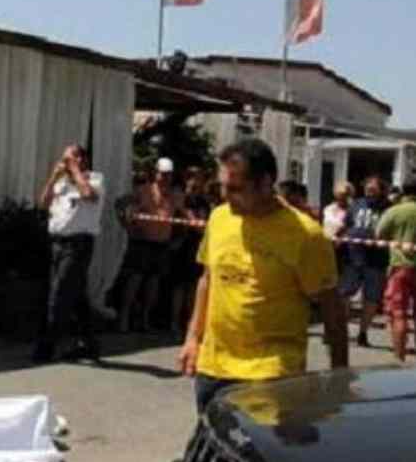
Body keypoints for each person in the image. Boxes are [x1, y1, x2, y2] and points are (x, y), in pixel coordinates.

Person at [178, 139, 347, 413]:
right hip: (212, 369)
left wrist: (339, 377)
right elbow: (207, 280)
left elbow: (332, 308)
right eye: (222, 186)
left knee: (258, 443)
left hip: (270, 375)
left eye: (236, 188)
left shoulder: (306, 236)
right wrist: (192, 339)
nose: (225, 195)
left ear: (265, 183)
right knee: (213, 440)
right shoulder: (219, 218)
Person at [33, 143, 105, 363]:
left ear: (82, 159)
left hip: (78, 245)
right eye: (64, 159)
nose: (66, 163)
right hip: (58, 243)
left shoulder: (94, 179)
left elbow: (89, 195)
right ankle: (89, 344)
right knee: (77, 295)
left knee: (59, 293)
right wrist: (53, 178)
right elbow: (43, 204)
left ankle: (47, 346)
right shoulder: (62, 183)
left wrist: (74, 170)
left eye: (70, 158)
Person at [120, 157, 181, 332]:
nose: (166, 177)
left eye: (169, 174)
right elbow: (121, 205)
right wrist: (128, 227)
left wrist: (177, 238)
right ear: (156, 173)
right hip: (142, 243)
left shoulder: (174, 195)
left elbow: (180, 215)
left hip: (161, 244)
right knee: (135, 280)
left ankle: (145, 320)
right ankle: (124, 318)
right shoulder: (143, 191)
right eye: (163, 174)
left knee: (153, 284)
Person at [339, 177, 390, 347]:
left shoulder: (388, 207)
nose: (370, 192)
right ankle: (340, 331)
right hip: (353, 258)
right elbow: (347, 225)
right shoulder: (356, 204)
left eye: (373, 189)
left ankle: (362, 333)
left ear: (381, 190)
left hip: (376, 260)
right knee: (344, 294)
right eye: (368, 189)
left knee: (371, 298)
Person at [375, 180, 416, 362]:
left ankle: (399, 359)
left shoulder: (394, 211)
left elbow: (379, 234)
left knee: (398, 314)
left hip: (400, 267)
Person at [170, 166, 211, 333]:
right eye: (192, 177)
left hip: (197, 246)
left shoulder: (203, 202)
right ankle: (173, 322)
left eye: (199, 178)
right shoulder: (179, 198)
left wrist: (189, 215)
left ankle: (189, 322)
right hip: (179, 247)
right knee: (178, 286)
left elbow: (202, 226)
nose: (195, 181)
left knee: (193, 286)